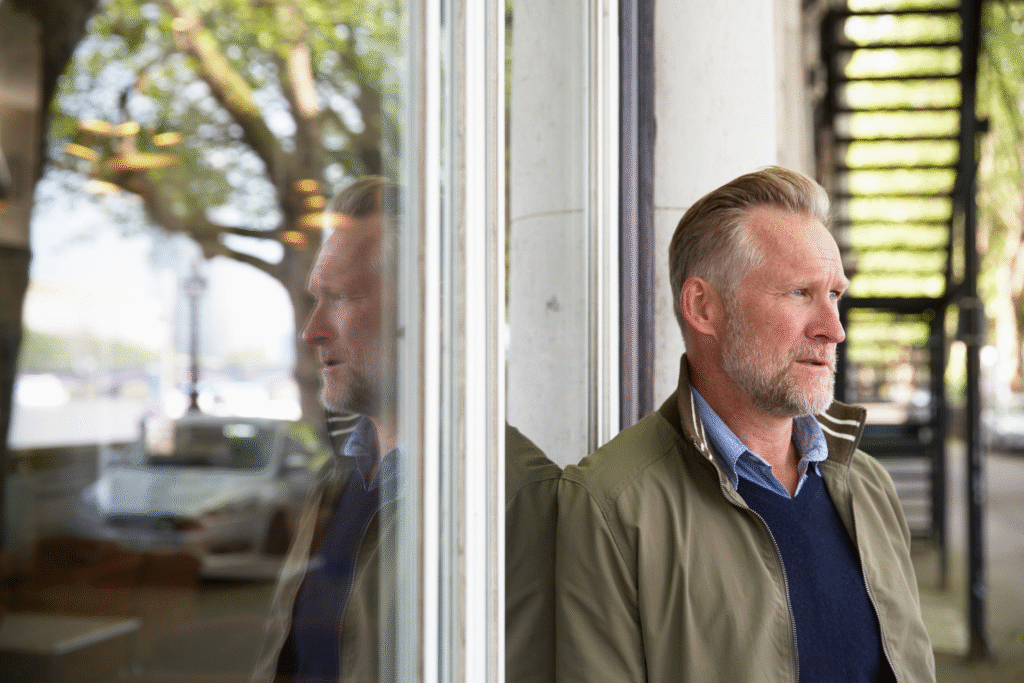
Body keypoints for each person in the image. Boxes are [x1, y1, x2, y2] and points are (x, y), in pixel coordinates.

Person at [555, 166, 935, 683]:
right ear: (703, 307)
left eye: (834, 295)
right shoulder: (609, 506)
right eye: (799, 292)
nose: (834, 330)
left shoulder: (868, 486)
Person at [252, 176, 400, 683]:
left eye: (338, 297)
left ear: (427, 310)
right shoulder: (339, 477)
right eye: (316, 298)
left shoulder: (500, 497)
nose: (311, 331)